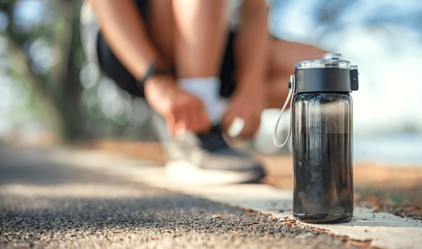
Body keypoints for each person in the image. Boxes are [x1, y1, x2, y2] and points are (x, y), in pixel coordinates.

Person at [81, 0, 326, 184]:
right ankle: (195, 136)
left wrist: (251, 90)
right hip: (126, 38)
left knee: (324, 73)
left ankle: (208, 113)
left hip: (210, 33)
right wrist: (154, 79)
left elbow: (254, 8)